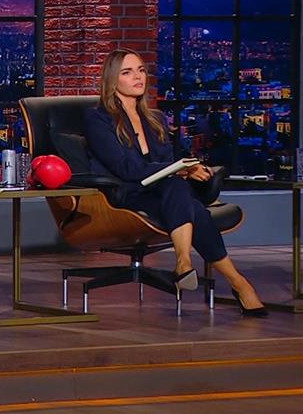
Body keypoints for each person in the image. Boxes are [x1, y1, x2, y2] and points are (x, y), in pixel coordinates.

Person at [84, 48, 267, 317]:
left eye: (141, 70)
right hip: (125, 193)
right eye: (127, 72)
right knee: (189, 202)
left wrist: (188, 169)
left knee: (180, 192)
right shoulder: (98, 118)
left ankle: (184, 264)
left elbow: (168, 161)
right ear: (113, 79)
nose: (138, 77)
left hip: (163, 191)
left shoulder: (155, 118)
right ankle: (238, 283)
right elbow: (125, 168)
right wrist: (179, 171)